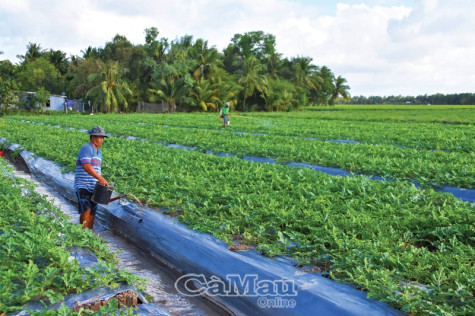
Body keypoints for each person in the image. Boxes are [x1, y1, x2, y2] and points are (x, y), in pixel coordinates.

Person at [74, 126, 109, 229]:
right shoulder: (87, 148)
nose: (101, 139)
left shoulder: (99, 153)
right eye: (99, 137)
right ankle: (82, 235)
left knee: (92, 211)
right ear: (93, 137)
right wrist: (100, 178)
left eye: (103, 137)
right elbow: (86, 166)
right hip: (83, 185)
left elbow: (96, 169)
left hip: (94, 186)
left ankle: (89, 235)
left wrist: (102, 181)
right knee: (86, 209)